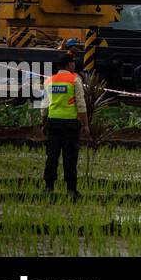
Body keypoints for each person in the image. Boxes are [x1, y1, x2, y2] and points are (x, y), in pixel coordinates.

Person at [40, 53, 88, 198]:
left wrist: (44, 122)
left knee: (52, 156)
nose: (74, 65)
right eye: (73, 62)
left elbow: (44, 105)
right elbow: (81, 104)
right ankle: (71, 190)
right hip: (70, 124)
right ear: (69, 64)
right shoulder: (75, 79)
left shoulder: (49, 80)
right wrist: (85, 124)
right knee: (70, 158)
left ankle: (49, 187)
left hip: (53, 123)